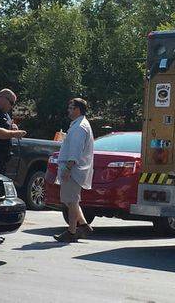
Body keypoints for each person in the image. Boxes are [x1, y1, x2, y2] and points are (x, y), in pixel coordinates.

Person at [54, 98, 95, 243]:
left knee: (71, 201)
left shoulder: (79, 127)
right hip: (74, 169)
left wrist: (68, 168)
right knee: (71, 200)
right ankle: (83, 225)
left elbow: (75, 151)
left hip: (73, 169)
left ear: (78, 109)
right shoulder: (79, 124)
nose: (68, 110)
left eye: (71, 108)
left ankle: (71, 232)